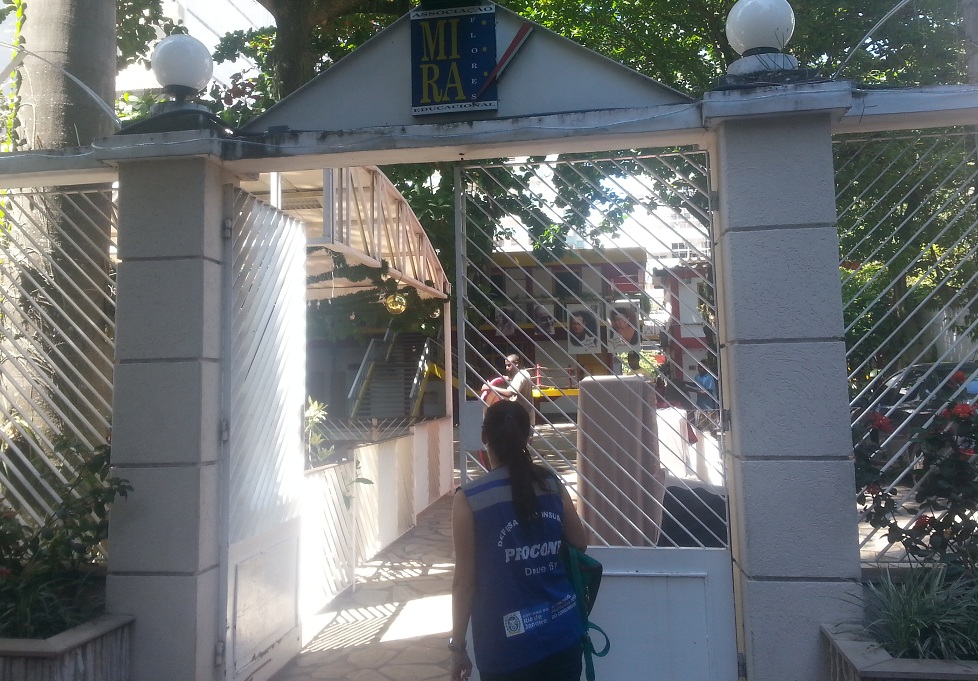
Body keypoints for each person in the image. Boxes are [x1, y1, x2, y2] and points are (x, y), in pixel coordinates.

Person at [450, 400, 589, 681]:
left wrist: (458, 646)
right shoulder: (551, 484)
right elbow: (580, 542)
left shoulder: (470, 499)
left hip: (505, 650)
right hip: (562, 636)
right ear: (528, 437)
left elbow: (465, 584)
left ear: (484, 437)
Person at [482, 354, 535, 424]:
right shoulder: (523, 373)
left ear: (516, 364)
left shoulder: (520, 376)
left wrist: (490, 387)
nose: (507, 368)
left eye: (509, 365)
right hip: (522, 416)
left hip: (521, 418)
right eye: (506, 365)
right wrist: (507, 379)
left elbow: (510, 393)